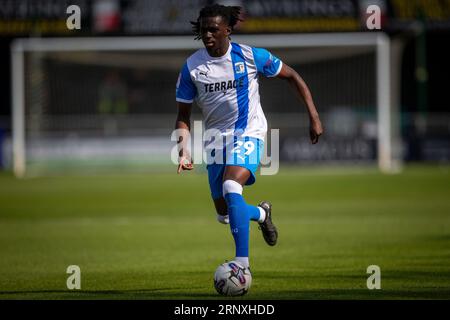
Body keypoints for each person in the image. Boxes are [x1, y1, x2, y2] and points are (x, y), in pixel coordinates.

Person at [175, 4, 323, 270]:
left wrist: (313, 116)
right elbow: (183, 114)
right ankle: (261, 213)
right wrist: (183, 149)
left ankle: (241, 265)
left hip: (249, 133)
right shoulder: (192, 68)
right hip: (215, 142)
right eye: (203, 29)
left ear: (227, 30)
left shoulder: (251, 56)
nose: (207, 34)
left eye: (213, 29)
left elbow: (292, 76)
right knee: (225, 215)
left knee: (232, 187)